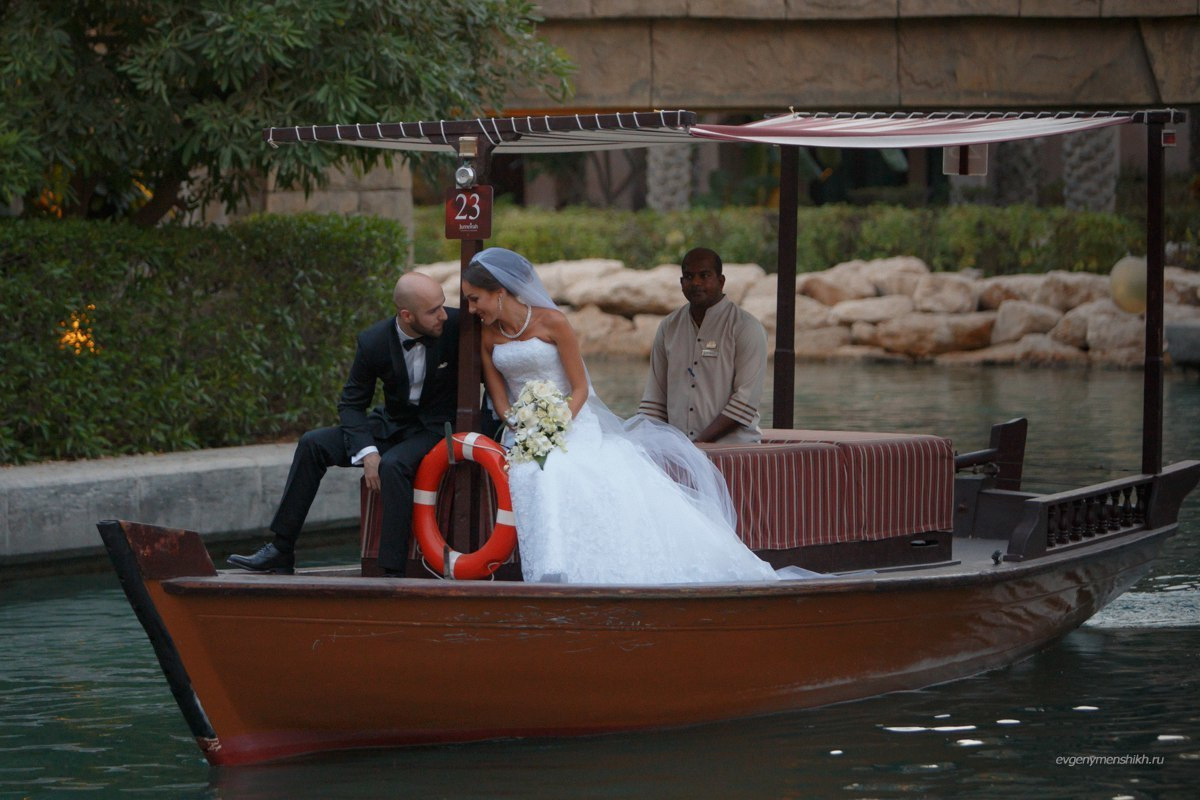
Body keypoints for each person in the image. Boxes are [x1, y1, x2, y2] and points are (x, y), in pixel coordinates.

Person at [461, 247, 779, 585]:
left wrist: (555, 426)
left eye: (475, 299)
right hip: (523, 430)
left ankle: (563, 573)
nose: (471, 309)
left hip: (571, 420)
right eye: (468, 301)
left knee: (555, 469)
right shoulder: (487, 335)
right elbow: (501, 401)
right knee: (530, 470)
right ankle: (550, 568)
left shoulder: (553, 322)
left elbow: (580, 388)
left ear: (500, 292)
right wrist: (524, 427)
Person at [227, 272, 459, 576]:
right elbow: (351, 404)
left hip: (436, 429)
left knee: (392, 466)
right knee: (313, 443)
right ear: (406, 315)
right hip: (393, 425)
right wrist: (367, 451)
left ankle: (392, 572)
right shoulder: (373, 341)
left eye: (442, 305)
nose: (443, 315)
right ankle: (281, 549)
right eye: (433, 310)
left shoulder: (456, 325)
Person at [638, 247, 766, 444]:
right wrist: (643, 443)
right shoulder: (669, 327)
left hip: (734, 452)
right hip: (679, 450)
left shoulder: (746, 328)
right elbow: (654, 401)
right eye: (689, 276)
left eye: (704, 275)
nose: (696, 282)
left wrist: (697, 445)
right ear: (681, 283)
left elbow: (744, 403)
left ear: (721, 281)